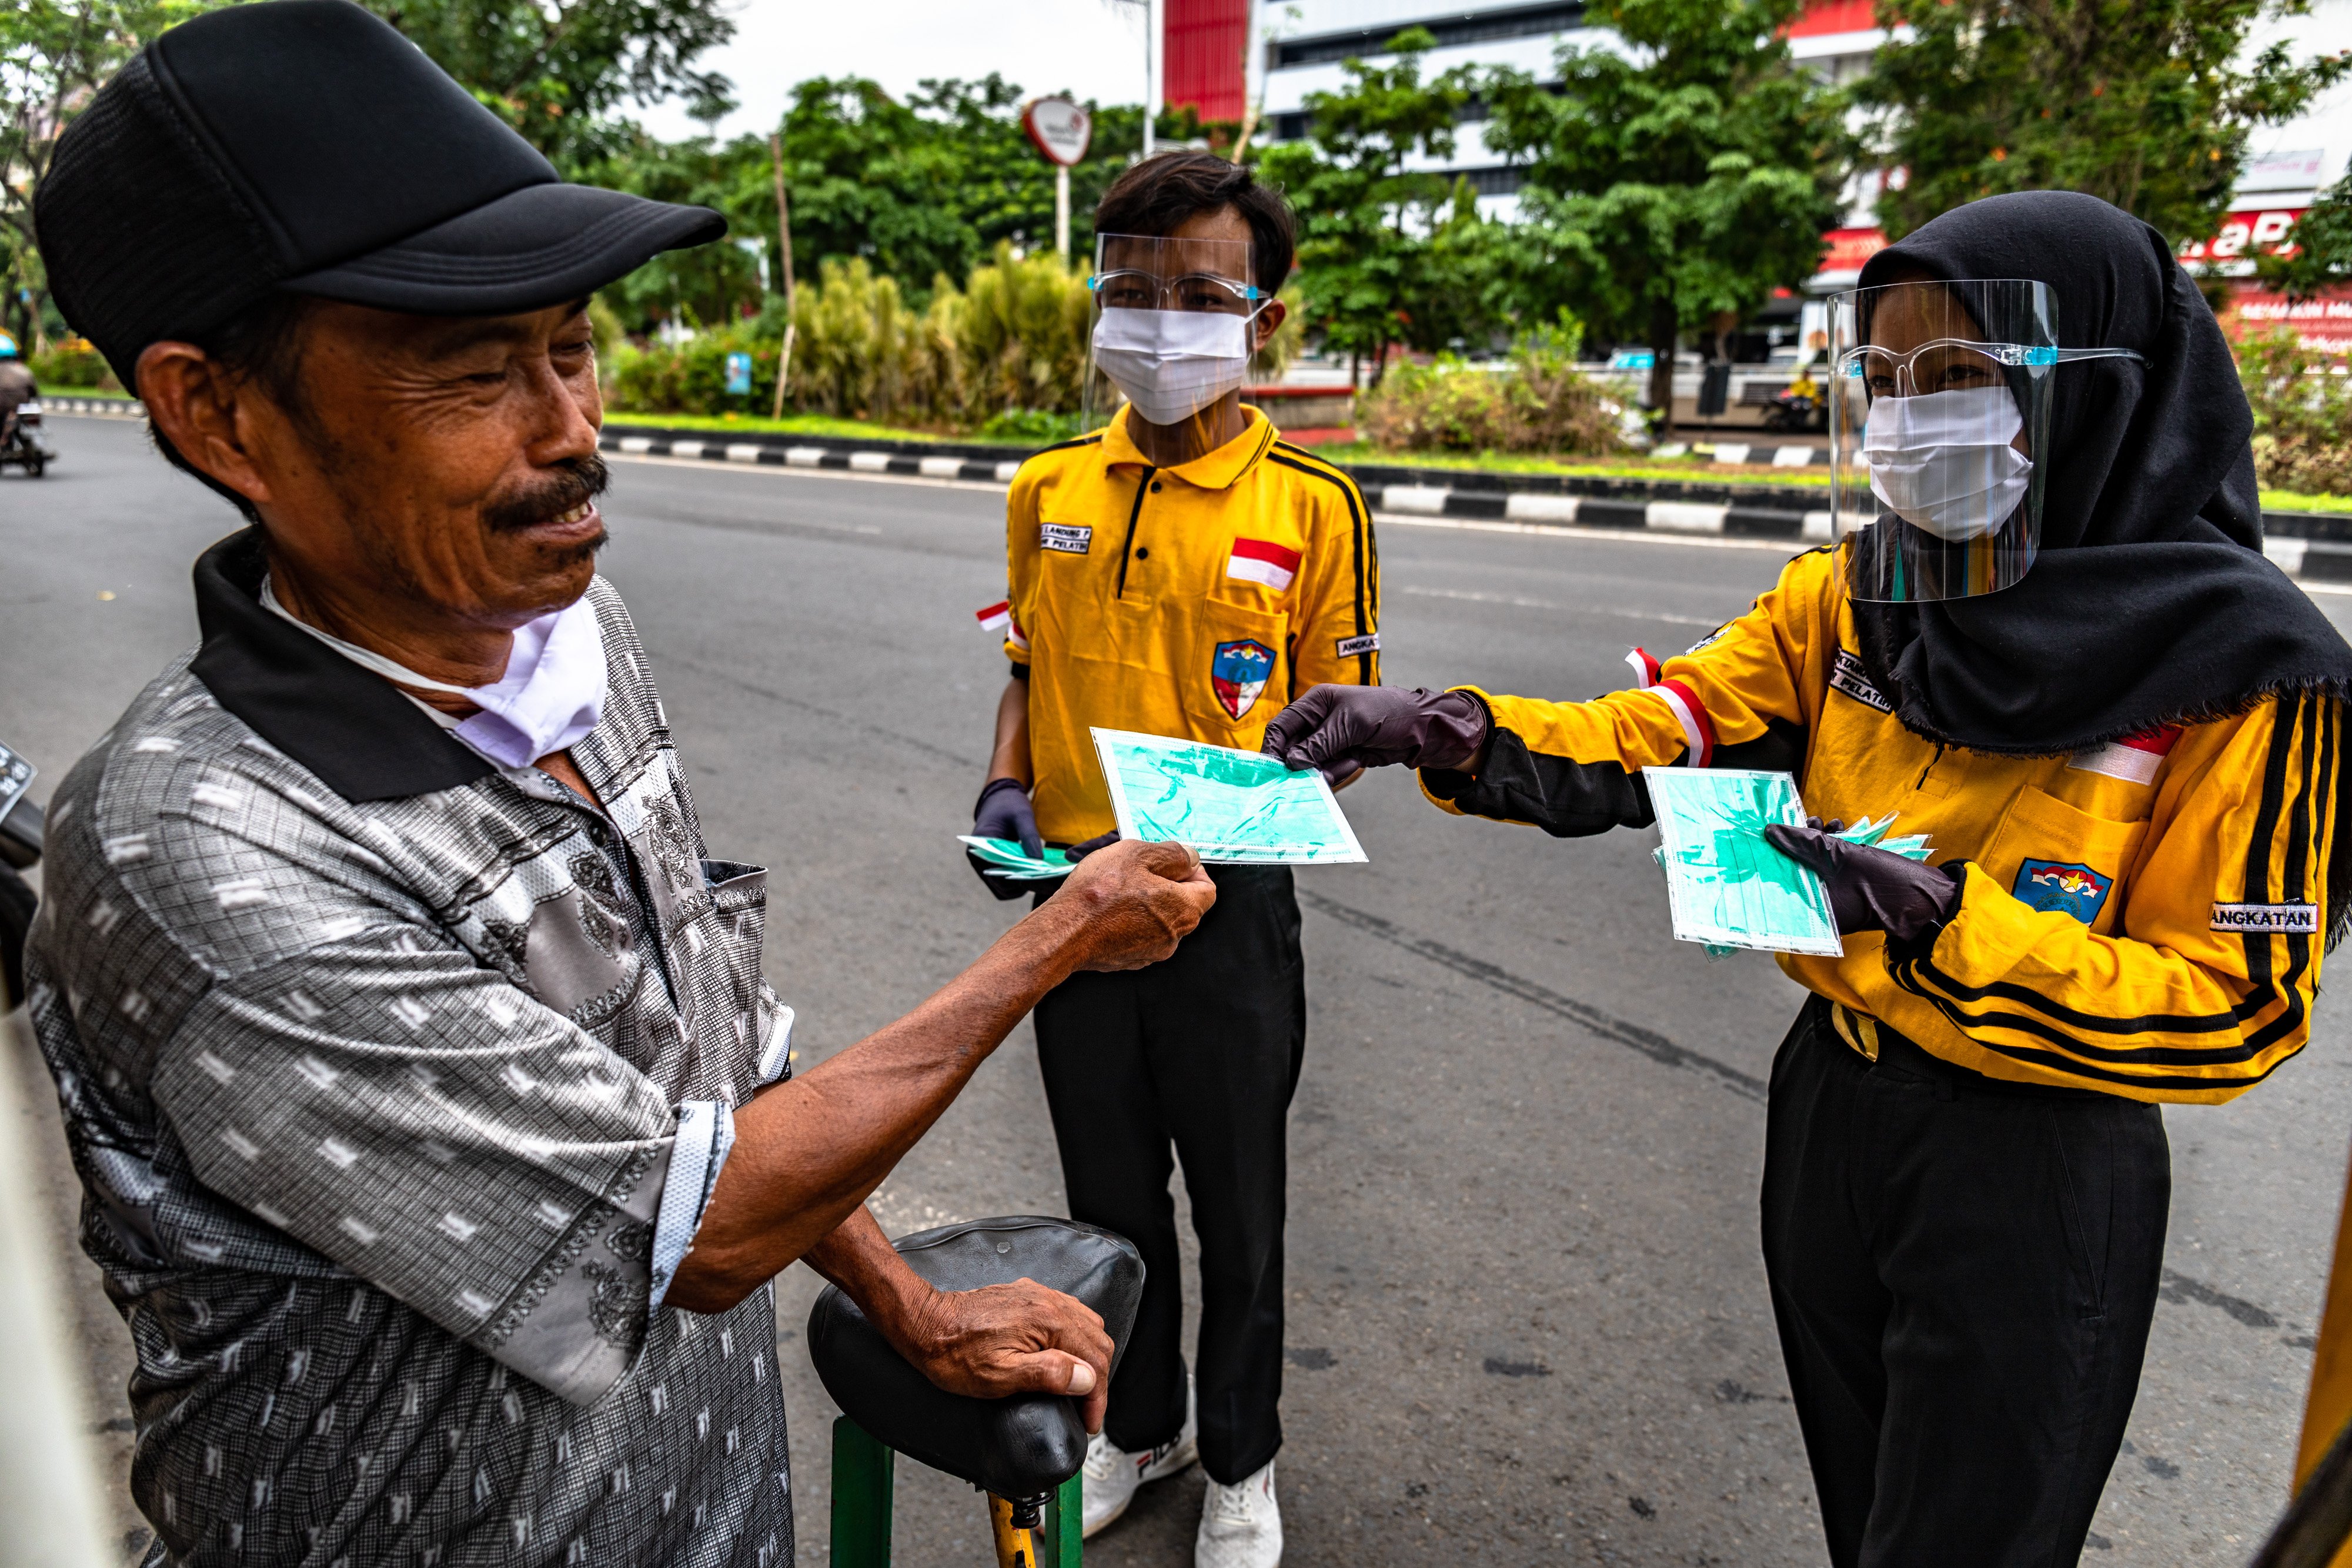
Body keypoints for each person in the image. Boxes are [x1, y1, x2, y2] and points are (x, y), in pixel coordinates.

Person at [23, 6, 1216, 1564]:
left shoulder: (565, 635)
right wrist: (1051, 939)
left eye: (573, 349)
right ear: (219, 413)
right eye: (475, 376)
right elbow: (694, 1219)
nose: (575, 432)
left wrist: (909, 1302)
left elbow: (707, 1060)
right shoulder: (205, 850)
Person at [1261, 190, 2352, 1567]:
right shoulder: (1860, 589)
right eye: (1880, 380)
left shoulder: (2253, 673)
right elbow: (1667, 732)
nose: (1906, 420)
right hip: (1830, 1111)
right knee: (1865, 1514)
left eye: (1957, 377)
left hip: (2028, 1163)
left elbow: (2234, 1006)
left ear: (2098, 387)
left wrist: (1944, 923)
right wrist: (1441, 725)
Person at [974, 150, 1379, 1567]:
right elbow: (1026, 656)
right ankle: (1136, 1428)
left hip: (1225, 906)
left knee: (1236, 1205)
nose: (1156, 319)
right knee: (1108, 1197)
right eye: (1129, 288)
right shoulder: (1045, 488)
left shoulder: (1314, 506)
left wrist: (1297, 764)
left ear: (1260, 317)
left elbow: (1345, 709)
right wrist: (1006, 777)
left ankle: (1242, 1462)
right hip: (1074, 900)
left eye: (1195, 292)